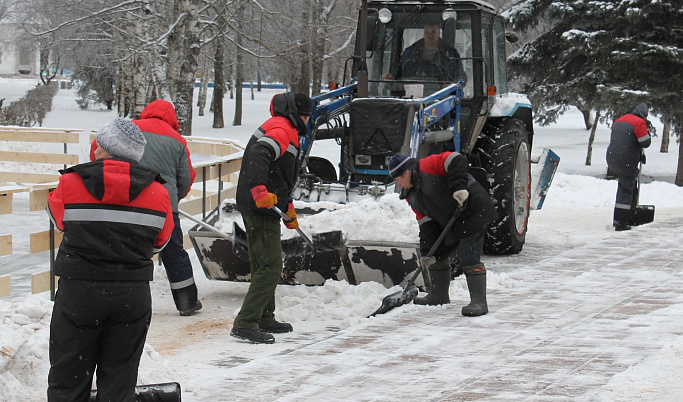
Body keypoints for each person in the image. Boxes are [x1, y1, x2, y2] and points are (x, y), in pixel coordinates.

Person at [47, 118, 174, 401]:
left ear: (103, 148)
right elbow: (161, 241)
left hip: (80, 293)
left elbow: (59, 219)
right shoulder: (158, 192)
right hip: (131, 295)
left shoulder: (71, 182)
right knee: (119, 382)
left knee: (68, 379)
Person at [90, 100, 202, 316]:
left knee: (124, 250)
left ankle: (120, 301)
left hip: (126, 198)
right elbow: (186, 177)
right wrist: (174, 200)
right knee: (174, 251)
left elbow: (99, 151)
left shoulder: (129, 130)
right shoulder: (177, 140)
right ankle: (187, 301)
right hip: (163, 204)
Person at [231, 92, 313, 344]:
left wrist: (288, 207)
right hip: (259, 206)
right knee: (271, 265)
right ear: (300, 115)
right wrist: (258, 190)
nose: (308, 121)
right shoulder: (282, 128)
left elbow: (279, 175)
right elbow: (259, 155)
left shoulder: (283, 127)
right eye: (307, 116)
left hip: (262, 206)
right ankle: (245, 323)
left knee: (262, 263)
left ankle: (265, 316)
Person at [389, 151, 496, 316]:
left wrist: (459, 188)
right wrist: (427, 251)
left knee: (468, 254)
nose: (399, 185)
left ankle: (479, 302)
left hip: (474, 209)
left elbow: (456, 159)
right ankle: (439, 295)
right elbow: (426, 224)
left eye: (398, 180)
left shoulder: (427, 165)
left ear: (407, 172)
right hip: (453, 218)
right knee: (437, 252)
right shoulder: (411, 196)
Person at [606, 103, 651, 231]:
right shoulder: (639, 122)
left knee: (625, 185)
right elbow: (645, 142)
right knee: (626, 187)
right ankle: (621, 222)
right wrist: (647, 131)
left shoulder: (620, 120)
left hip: (612, 156)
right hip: (626, 158)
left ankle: (624, 216)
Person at [383, 24, 465, 84]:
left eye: (433, 31)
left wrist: (450, 85)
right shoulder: (410, 53)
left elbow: (461, 76)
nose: (430, 35)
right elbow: (400, 69)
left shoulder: (450, 54)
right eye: (427, 32)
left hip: (443, 97)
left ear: (439, 33)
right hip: (414, 93)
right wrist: (392, 76)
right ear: (423, 34)